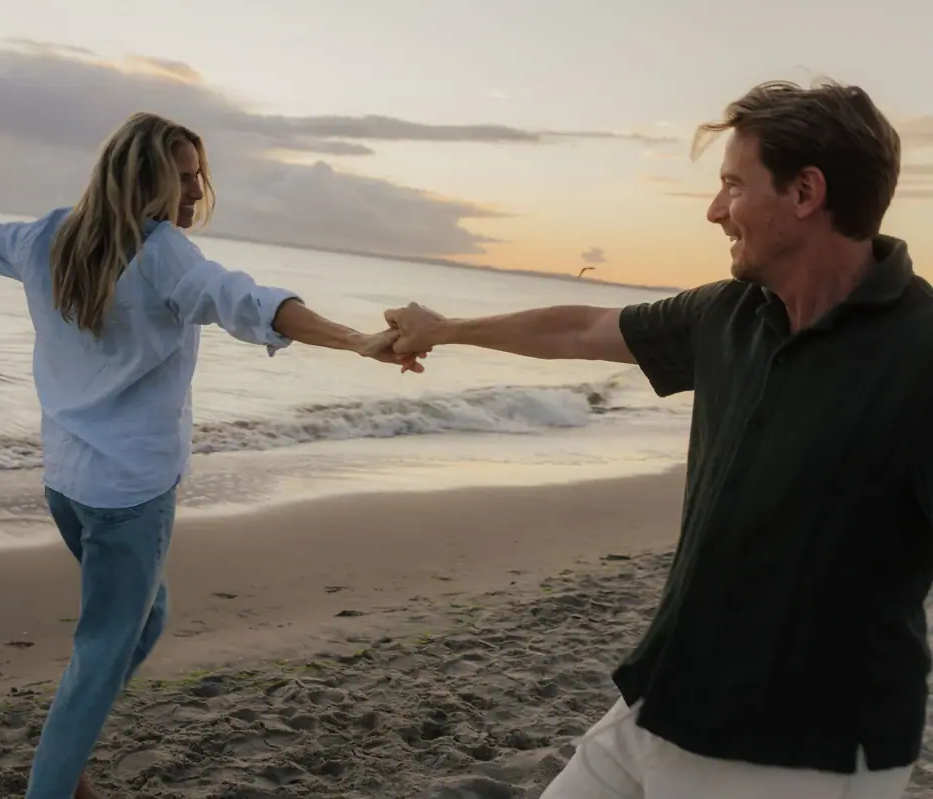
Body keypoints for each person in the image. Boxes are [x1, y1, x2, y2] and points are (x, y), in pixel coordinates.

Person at [385, 79, 933, 798]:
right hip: (664, 697)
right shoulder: (730, 314)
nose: (714, 210)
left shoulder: (920, 351)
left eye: (733, 185)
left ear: (805, 193)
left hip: (798, 750)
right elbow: (580, 329)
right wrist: (447, 329)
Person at [0, 84, 424, 799]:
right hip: (131, 494)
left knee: (145, 617)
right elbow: (249, 301)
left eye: (200, 173)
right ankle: (56, 777)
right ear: (146, 179)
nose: (198, 189)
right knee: (100, 652)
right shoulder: (165, 252)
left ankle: (69, 759)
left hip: (68, 485)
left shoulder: (49, 234)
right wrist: (359, 339)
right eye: (186, 174)